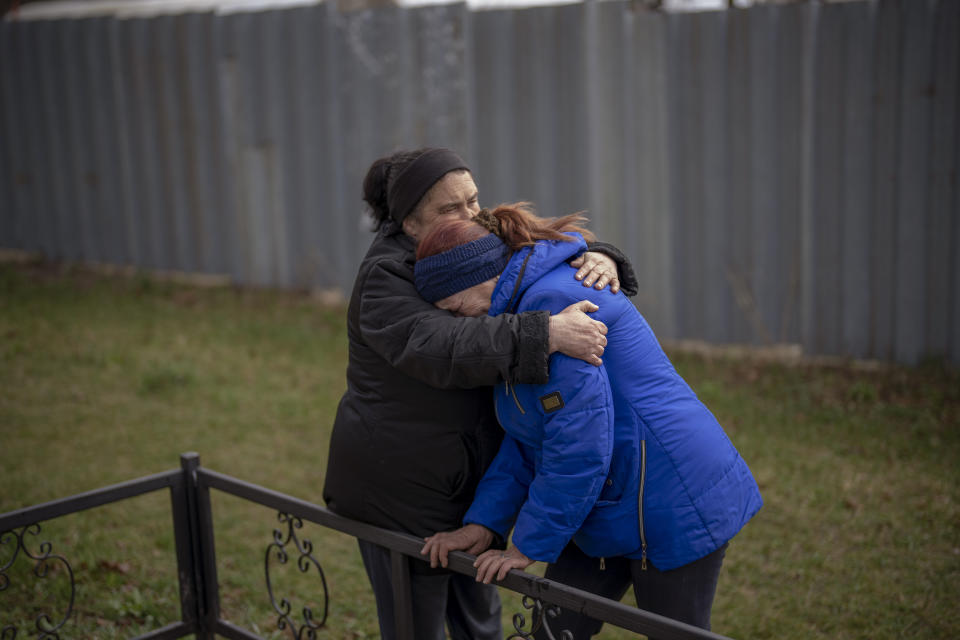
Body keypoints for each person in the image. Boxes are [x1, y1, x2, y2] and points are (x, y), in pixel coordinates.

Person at [322, 148, 639, 640]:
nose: (472, 215)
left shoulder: (468, 243)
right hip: (400, 490)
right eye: (451, 209)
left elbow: (536, 249)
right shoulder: (386, 277)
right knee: (415, 622)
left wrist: (600, 257)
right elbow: (440, 346)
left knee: (478, 619)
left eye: (472, 200)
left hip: (470, 481)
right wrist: (544, 334)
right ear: (409, 223)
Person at [415, 203, 763, 639]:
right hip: (608, 499)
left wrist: (526, 546)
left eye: (454, 306)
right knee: (553, 632)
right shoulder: (515, 320)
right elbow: (529, 437)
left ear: (480, 276)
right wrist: (484, 524)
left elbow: (578, 445)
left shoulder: (554, 305)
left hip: (670, 500)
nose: (455, 319)